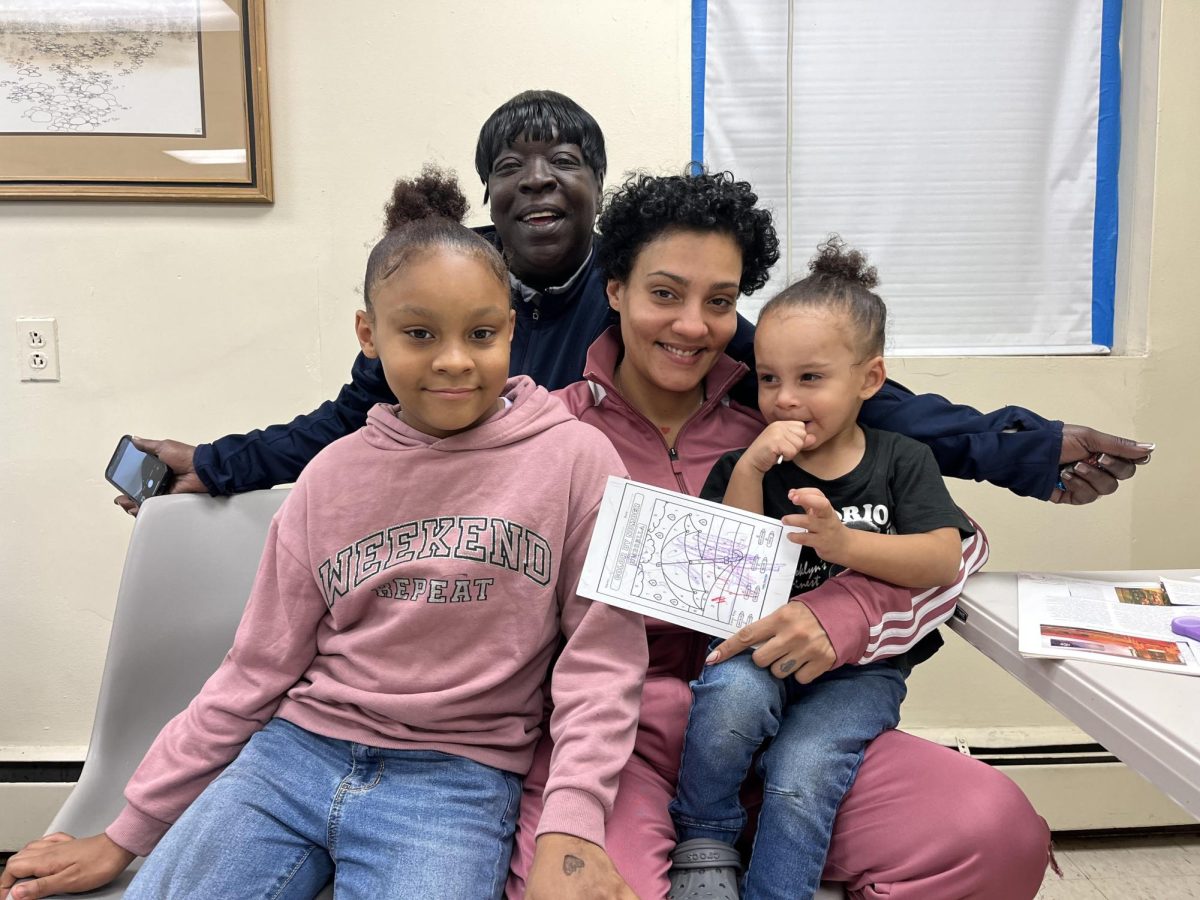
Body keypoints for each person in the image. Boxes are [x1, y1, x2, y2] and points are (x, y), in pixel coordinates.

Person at [1, 168, 648, 900]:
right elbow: (252, 673)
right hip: (291, 757)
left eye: (481, 333)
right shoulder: (331, 477)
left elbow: (602, 661)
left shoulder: (577, 461)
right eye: (418, 333)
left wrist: (573, 824)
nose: (454, 359)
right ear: (369, 336)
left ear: (511, 326)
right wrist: (125, 835)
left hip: (457, 782)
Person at [114, 90, 1151, 514]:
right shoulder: (442, 292)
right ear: (488, 197)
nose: (537, 179)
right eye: (511, 166)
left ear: (600, 201)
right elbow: (350, 420)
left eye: (564, 159)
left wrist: (1026, 446)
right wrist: (208, 463)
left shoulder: (659, 306)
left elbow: (844, 398)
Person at [504, 171, 1050, 900]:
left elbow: (959, 549)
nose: (693, 325)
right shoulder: (549, 430)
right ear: (614, 291)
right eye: (664, 293)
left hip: (785, 725)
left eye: (721, 302)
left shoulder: (786, 415)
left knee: (995, 832)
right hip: (616, 745)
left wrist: (840, 613)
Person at [667, 239, 977, 900]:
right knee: (726, 699)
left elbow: (941, 557)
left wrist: (845, 545)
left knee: (803, 768)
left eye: (810, 378)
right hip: (761, 652)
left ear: (868, 379)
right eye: (770, 378)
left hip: (861, 675)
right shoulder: (746, 463)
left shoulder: (901, 460)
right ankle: (704, 839)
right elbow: (725, 564)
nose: (785, 399)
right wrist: (750, 467)